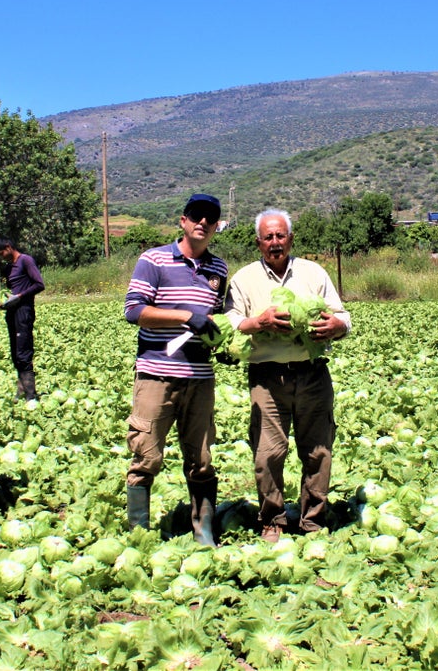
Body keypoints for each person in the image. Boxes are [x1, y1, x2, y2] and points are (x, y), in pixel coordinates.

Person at [226, 209, 350, 543]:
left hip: (312, 373)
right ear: (258, 242)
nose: (275, 243)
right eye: (269, 237)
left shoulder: (313, 272)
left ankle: (312, 520)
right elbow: (231, 322)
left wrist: (338, 326)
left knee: (318, 450)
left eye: (281, 236)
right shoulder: (243, 279)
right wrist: (258, 323)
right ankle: (273, 519)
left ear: (291, 238)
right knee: (267, 452)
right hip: (267, 377)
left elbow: (342, 316)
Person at [123, 194, 228, 546]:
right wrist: (186, 316)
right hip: (156, 375)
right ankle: (138, 534)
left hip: (199, 379)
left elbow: (217, 319)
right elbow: (135, 310)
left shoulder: (218, 270)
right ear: (183, 221)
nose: (202, 223)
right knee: (146, 455)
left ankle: (204, 532)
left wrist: (223, 344)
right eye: (196, 216)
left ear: (216, 226)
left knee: (200, 458)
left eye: (210, 218)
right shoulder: (153, 259)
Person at [0, 236, 45, 401]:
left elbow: (39, 284)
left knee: (23, 353)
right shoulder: (9, 268)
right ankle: (21, 390)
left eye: (1, 253)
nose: (1, 257)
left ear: (8, 247)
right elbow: (12, 290)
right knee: (15, 353)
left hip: (24, 311)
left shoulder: (25, 261)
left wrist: (20, 297)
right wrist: (4, 302)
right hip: (12, 313)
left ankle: (31, 395)